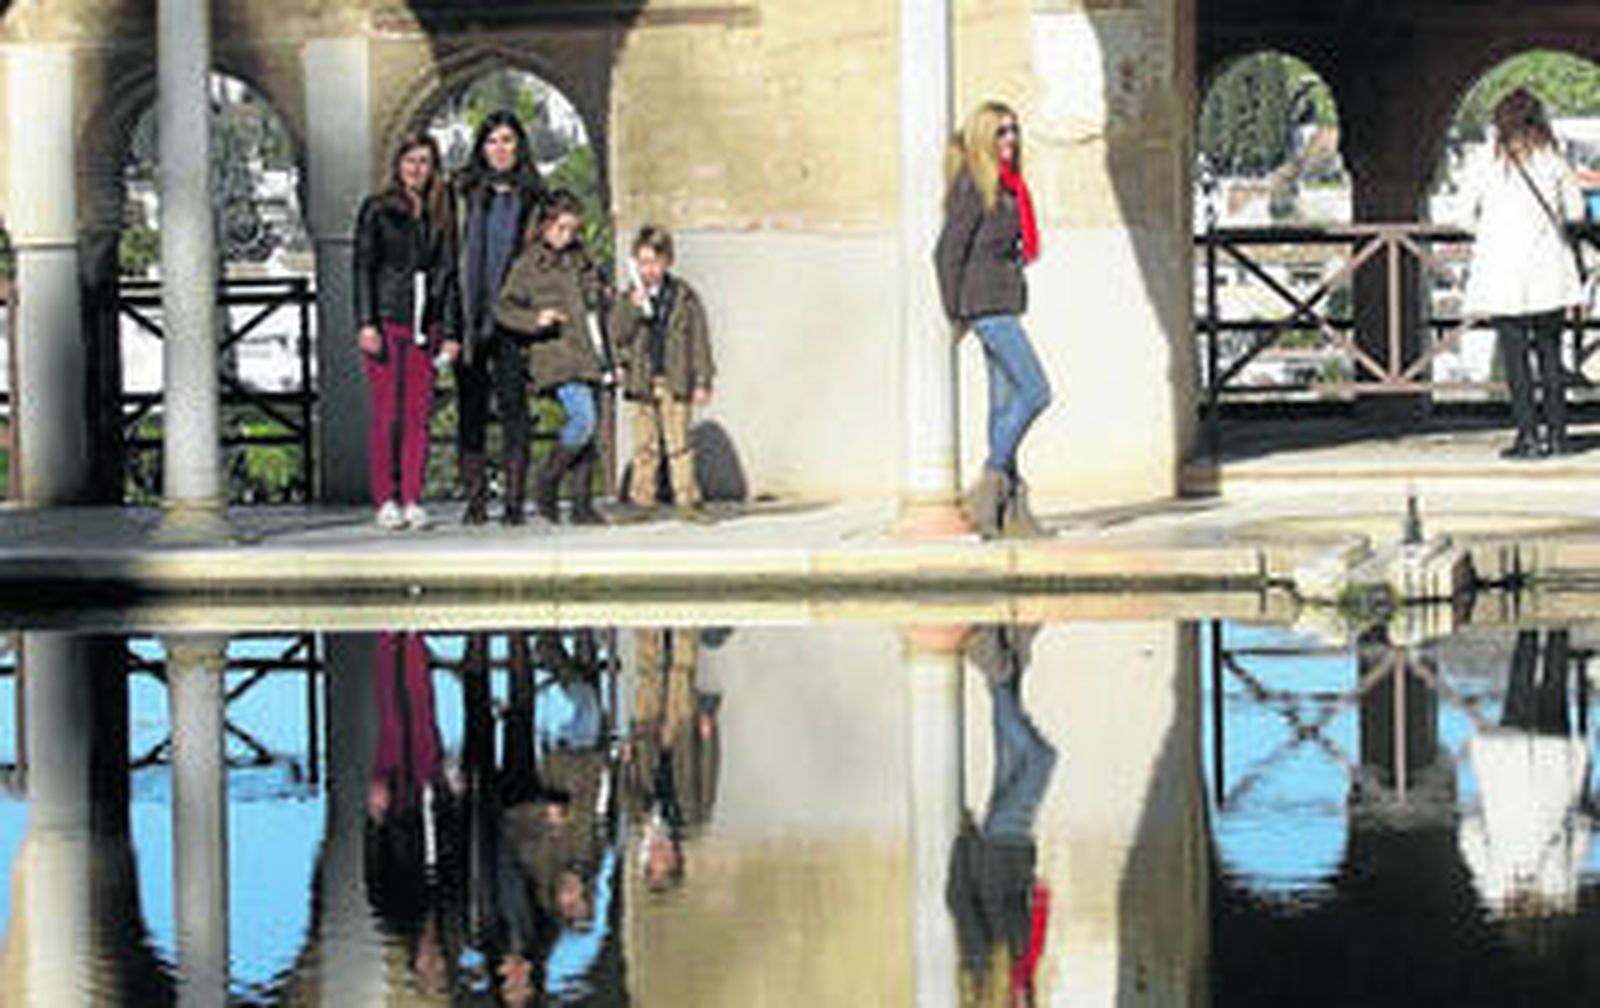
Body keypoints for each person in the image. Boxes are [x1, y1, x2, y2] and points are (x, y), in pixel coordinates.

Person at [935, 100, 1052, 539]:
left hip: (1005, 301)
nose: (1011, 140)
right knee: (1037, 393)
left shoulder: (1010, 186)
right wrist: (954, 312)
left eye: (1014, 131)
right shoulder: (974, 185)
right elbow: (947, 251)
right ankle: (988, 483)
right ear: (984, 137)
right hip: (986, 308)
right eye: (1002, 132)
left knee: (1004, 406)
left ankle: (1008, 512)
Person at [1463, 88, 1587, 459]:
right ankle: (1560, 438)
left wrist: (1490, 231)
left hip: (1503, 273)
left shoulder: (1485, 160)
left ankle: (1528, 438)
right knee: (1550, 356)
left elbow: (1462, 214)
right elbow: (1577, 211)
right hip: (1549, 270)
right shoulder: (1553, 158)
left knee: (1515, 360)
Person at [446, 111, 547, 524]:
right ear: (481, 148)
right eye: (492, 141)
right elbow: (448, 259)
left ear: (519, 145)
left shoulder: (534, 197)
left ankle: (513, 501)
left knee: (514, 408)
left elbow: (551, 254)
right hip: (471, 317)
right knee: (470, 409)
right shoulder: (463, 193)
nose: (500, 149)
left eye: (507, 140)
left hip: (514, 319)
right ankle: (474, 501)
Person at [353, 133, 457, 530]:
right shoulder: (378, 210)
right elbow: (363, 267)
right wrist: (366, 321)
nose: (417, 169)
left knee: (419, 416)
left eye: (425, 162)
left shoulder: (439, 215)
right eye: (411, 161)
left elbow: (447, 276)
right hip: (387, 319)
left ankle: (413, 496)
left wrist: (450, 330)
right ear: (398, 165)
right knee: (387, 415)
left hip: (424, 326)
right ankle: (386, 498)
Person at [494, 189, 609, 525]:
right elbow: (504, 308)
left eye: (573, 230)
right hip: (555, 355)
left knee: (590, 430)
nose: (567, 236)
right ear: (544, 225)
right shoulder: (528, 265)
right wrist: (535, 320)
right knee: (583, 419)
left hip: (588, 353)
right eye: (561, 228)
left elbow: (596, 302)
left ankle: (582, 504)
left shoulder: (582, 261)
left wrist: (606, 296)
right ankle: (546, 481)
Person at [610, 225, 716, 519]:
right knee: (645, 444)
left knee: (679, 441)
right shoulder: (630, 295)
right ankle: (642, 500)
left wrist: (703, 379)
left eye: (654, 262)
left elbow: (699, 340)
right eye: (642, 262)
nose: (649, 269)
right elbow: (617, 333)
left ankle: (687, 500)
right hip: (642, 378)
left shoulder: (684, 296)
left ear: (667, 261)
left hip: (676, 377)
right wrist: (631, 308)